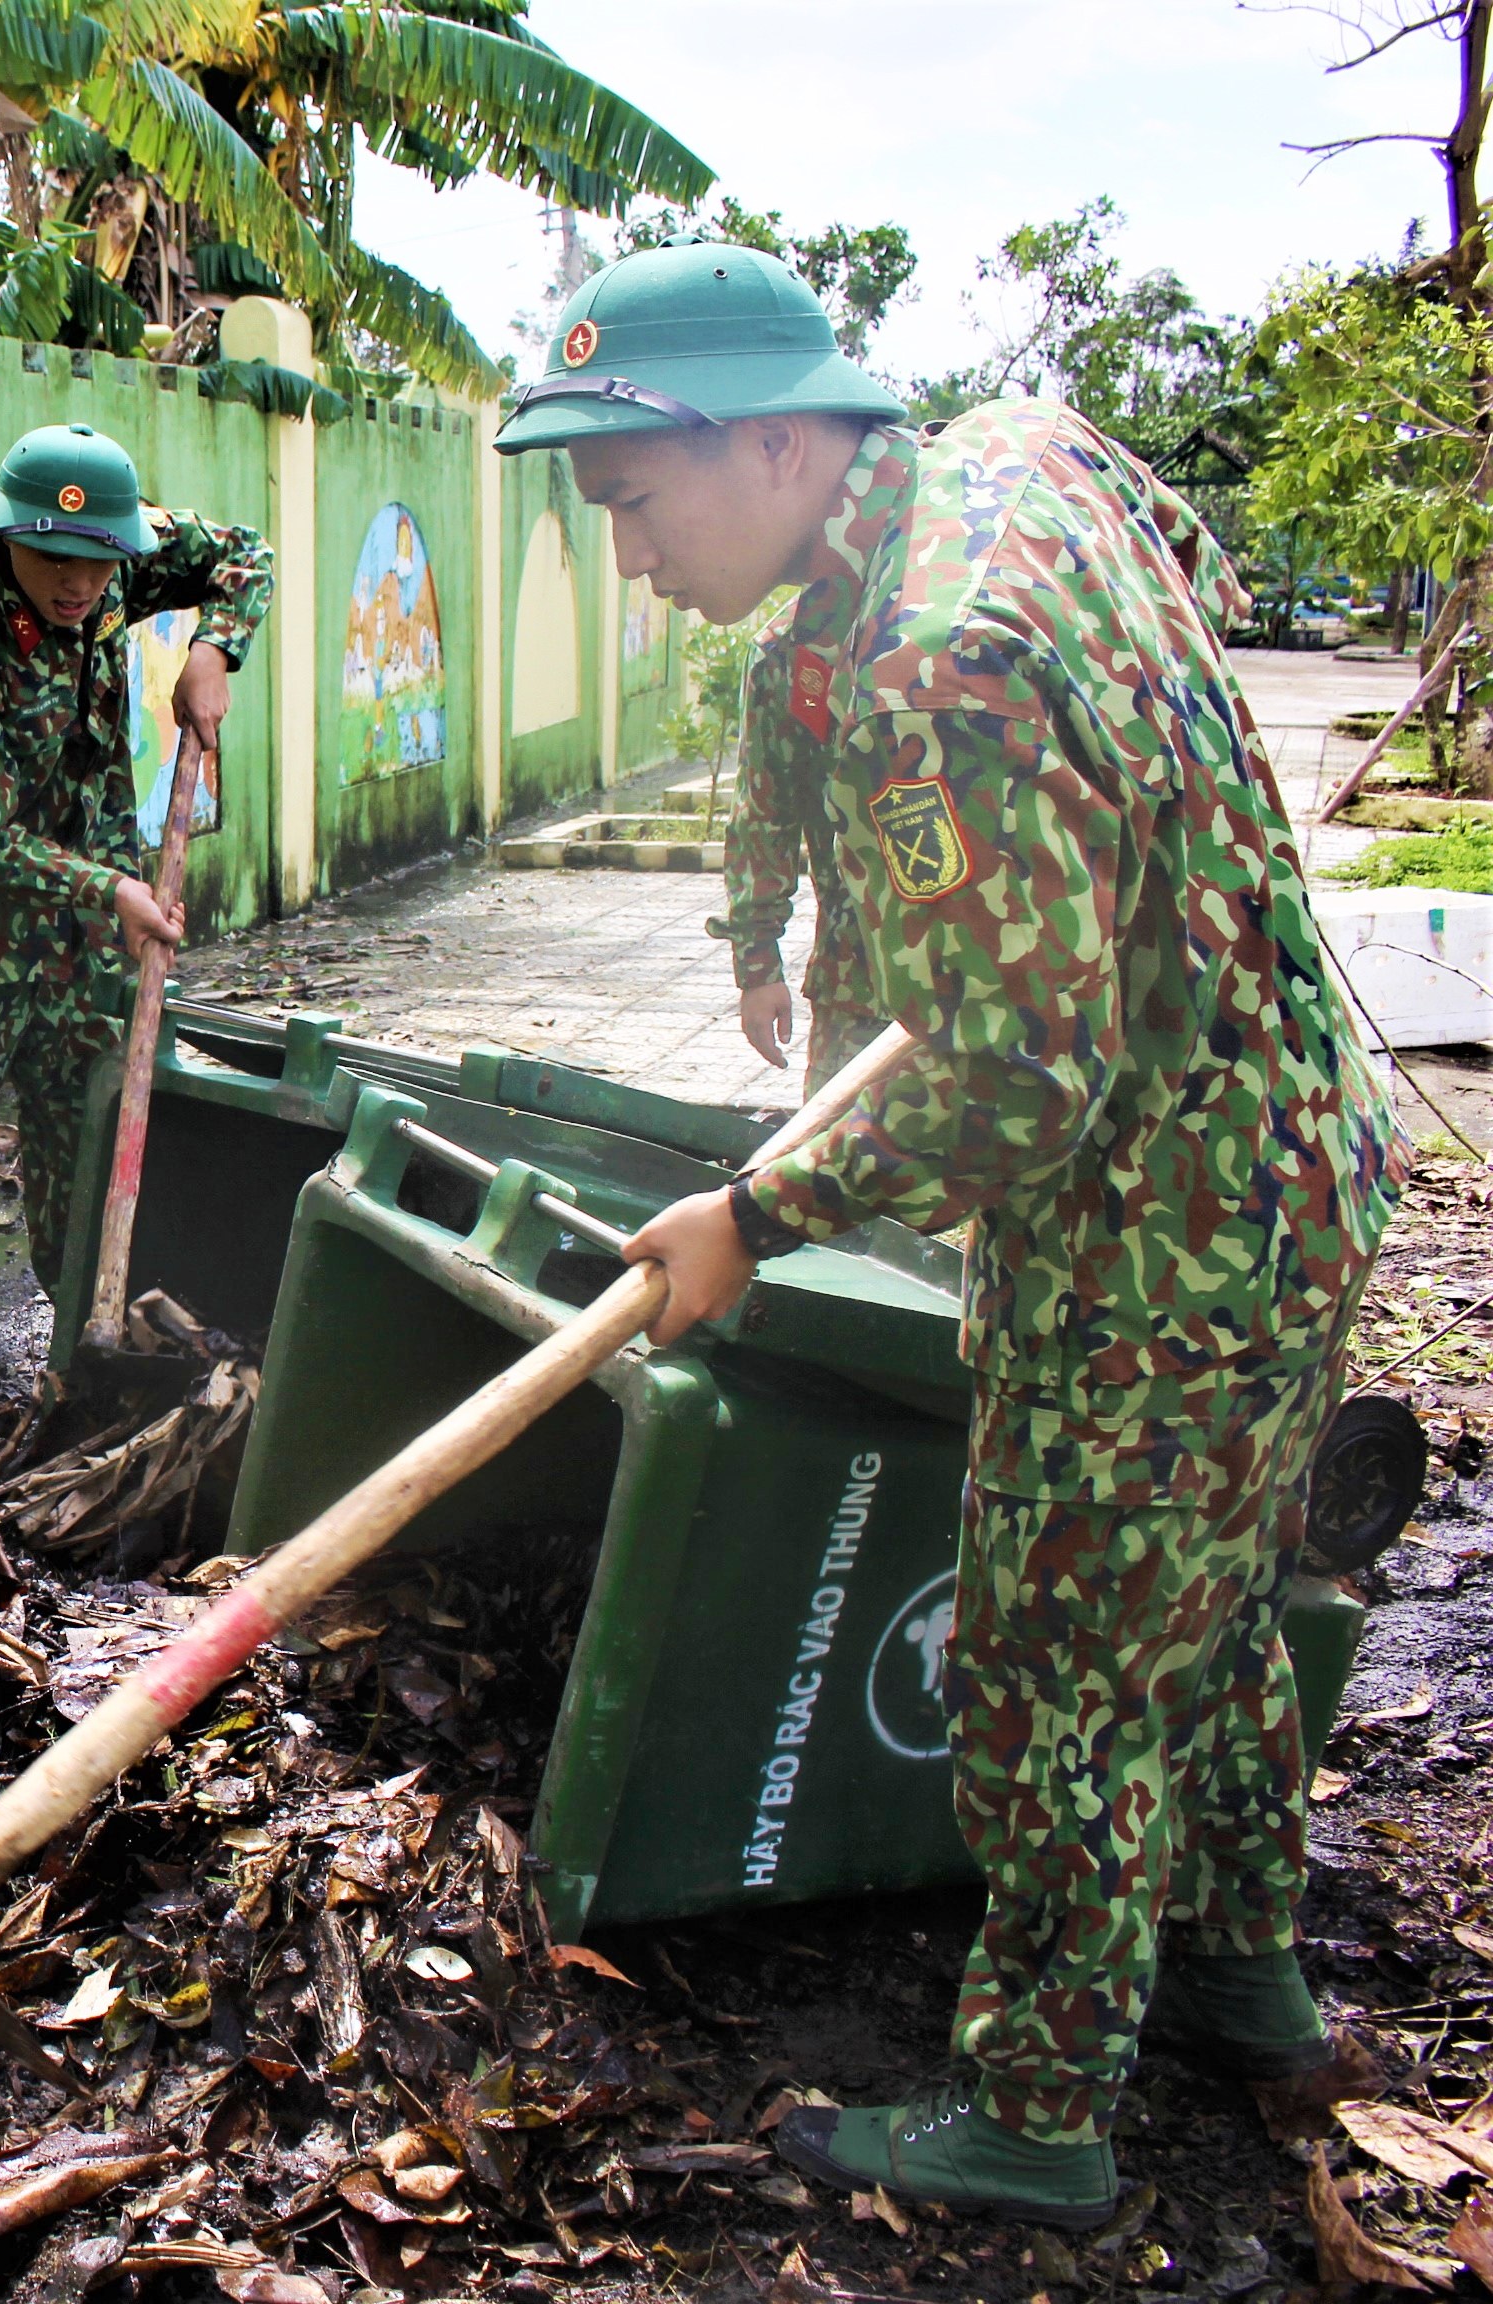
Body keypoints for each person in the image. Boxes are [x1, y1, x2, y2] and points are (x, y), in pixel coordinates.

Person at [504, 246, 1401, 2227]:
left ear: (766, 441)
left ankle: (1038, 2117)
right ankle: (1244, 1982)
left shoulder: (938, 663)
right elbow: (1180, 561)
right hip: (1296, 1146)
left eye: (632, 505)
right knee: (1227, 1603)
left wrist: (758, 1213)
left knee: (1056, 1670)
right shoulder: (1014, 452)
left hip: (1152, 1228)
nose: (629, 560)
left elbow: (1022, 1082)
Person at [0, 423, 273, 1486]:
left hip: (82, 956)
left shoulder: (121, 555)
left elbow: (243, 552)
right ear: (8, 538)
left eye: (99, 563)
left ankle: (88, 1373)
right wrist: (109, 885)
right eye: (56, 561)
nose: (81, 584)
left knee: (87, 1164)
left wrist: (214, 646)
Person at [712, 659, 882, 1092]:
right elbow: (764, 817)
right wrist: (758, 968)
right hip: (857, 987)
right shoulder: (793, 651)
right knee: (836, 1150)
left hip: (997, 986)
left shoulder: (988, 618)